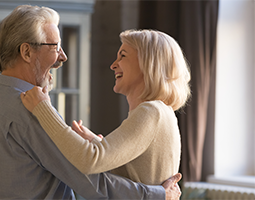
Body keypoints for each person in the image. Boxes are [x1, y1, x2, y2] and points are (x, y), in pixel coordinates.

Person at [0, 5, 182, 200]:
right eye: (55, 47)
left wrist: (99, 145)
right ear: (27, 52)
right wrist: (158, 194)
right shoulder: (31, 111)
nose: (63, 57)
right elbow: (93, 185)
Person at [21, 29, 191, 185]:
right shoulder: (161, 112)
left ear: (148, 63)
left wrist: (43, 108)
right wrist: (96, 143)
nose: (113, 65)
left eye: (123, 56)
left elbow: (90, 161)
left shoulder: (151, 112)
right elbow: (135, 174)